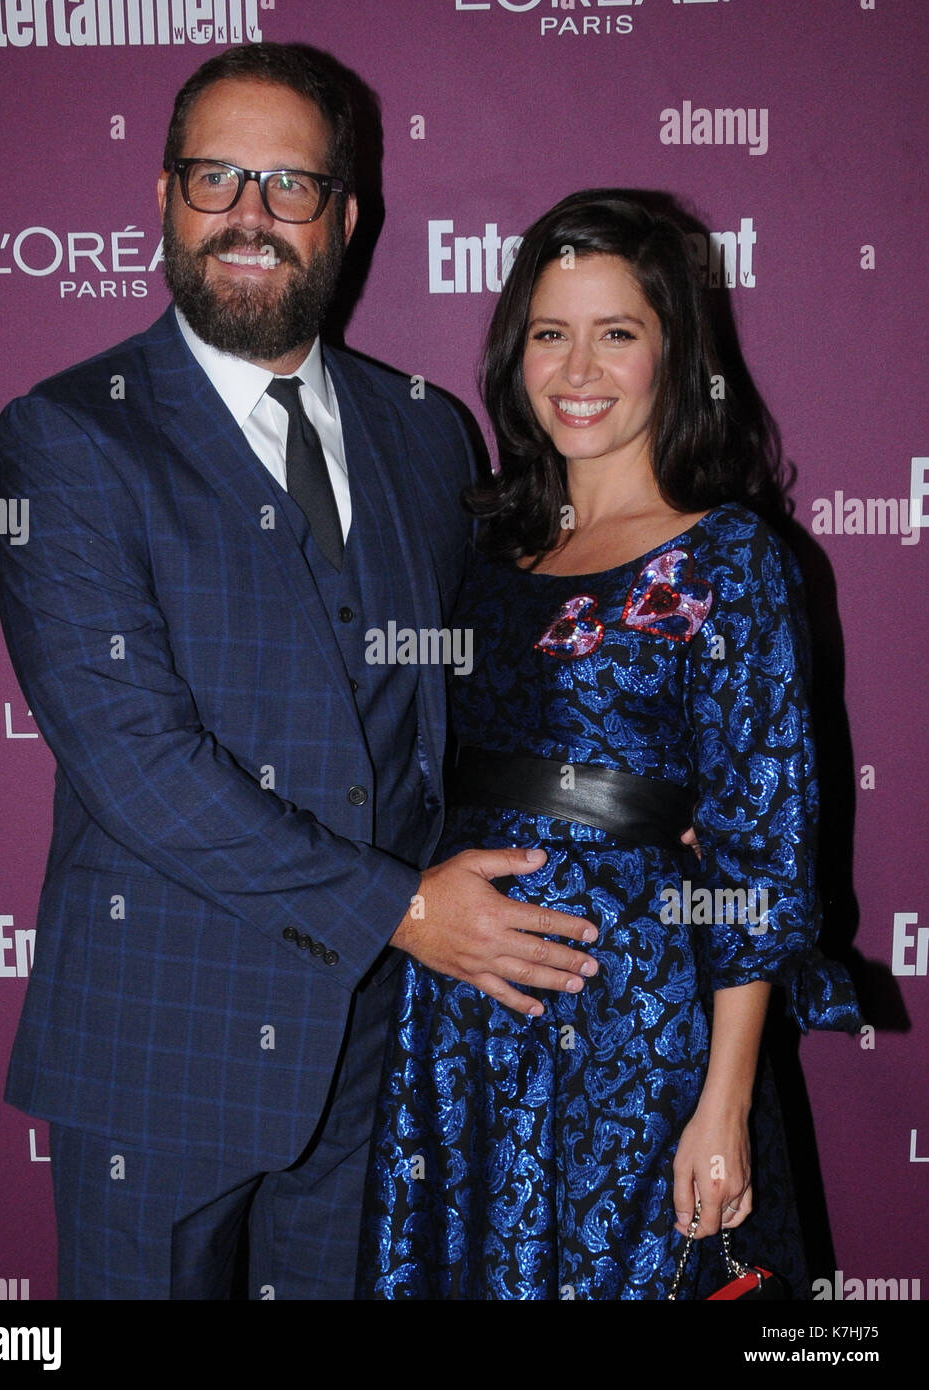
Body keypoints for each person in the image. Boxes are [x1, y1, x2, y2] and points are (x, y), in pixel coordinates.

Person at [0, 44, 599, 1301]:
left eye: (289, 184)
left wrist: (637, 798)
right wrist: (406, 910)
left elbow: (469, 692)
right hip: (157, 1050)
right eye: (215, 178)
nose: (249, 216)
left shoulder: (426, 433)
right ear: (163, 197)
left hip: (374, 1050)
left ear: (345, 218)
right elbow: (135, 762)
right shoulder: (68, 435)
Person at [358, 190, 860, 1300]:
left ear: (673, 355)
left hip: (635, 1019)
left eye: (615, 333)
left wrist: (722, 1102)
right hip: (464, 1014)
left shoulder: (730, 560)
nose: (576, 369)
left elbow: (760, 860)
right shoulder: (486, 550)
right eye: (549, 333)